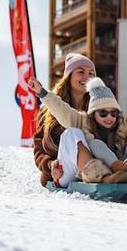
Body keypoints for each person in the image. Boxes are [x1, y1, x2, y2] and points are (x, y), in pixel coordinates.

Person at [28, 74, 127, 186]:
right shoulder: (82, 121)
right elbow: (61, 109)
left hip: (121, 172)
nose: (109, 117)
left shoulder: (123, 123)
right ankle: (106, 175)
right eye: (103, 113)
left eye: (113, 113)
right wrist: (42, 93)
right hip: (80, 172)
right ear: (93, 113)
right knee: (79, 136)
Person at [32, 53, 96, 187]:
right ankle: (96, 174)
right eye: (81, 72)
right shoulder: (49, 109)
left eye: (91, 73)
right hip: (63, 172)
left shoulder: (97, 108)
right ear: (69, 76)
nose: (87, 77)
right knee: (73, 133)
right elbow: (39, 150)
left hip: (95, 164)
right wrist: (50, 165)